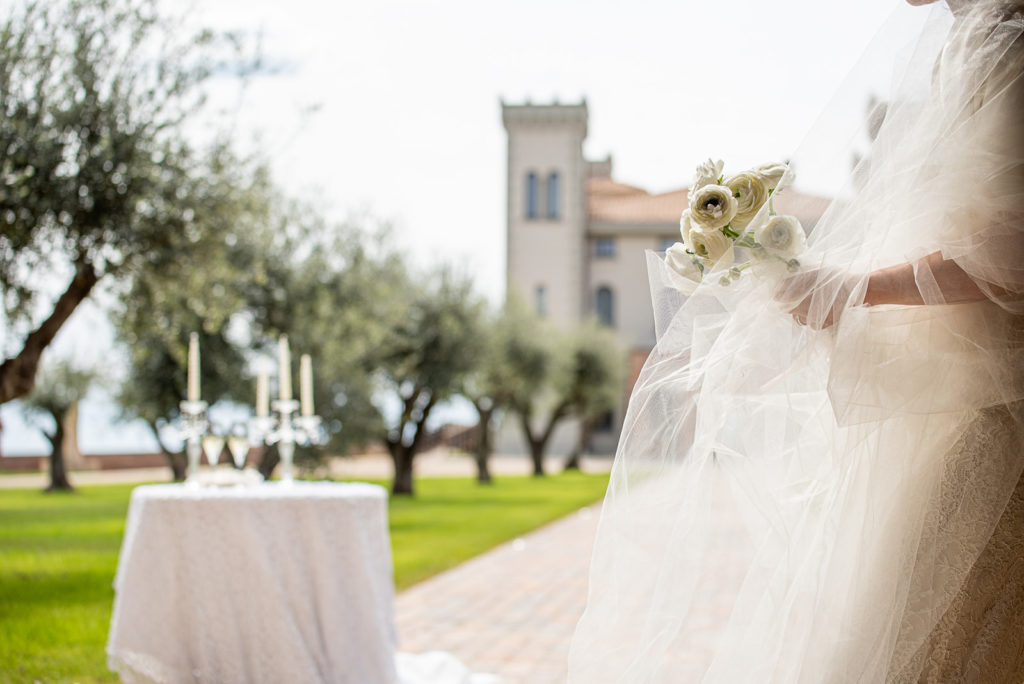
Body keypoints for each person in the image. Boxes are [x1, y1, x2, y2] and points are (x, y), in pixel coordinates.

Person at [569, 1, 1024, 681]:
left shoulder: (1008, 42)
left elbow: (1010, 253)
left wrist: (856, 287)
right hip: (959, 408)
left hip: (999, 422)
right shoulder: (969, 40)